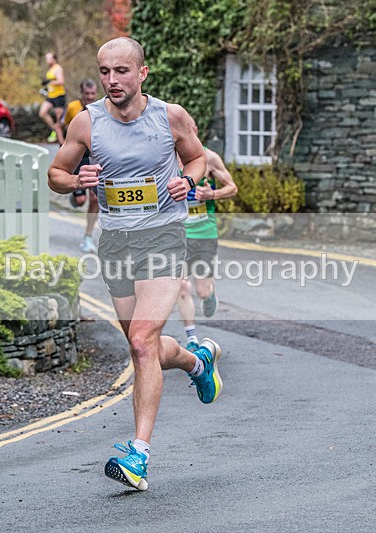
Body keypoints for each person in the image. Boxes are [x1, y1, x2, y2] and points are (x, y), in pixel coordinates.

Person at [48, 37, 223, 491]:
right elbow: (55, 174)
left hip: (163, 236)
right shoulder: (87, 123)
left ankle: (138, 455)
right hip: (117, 243)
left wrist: (187, 180)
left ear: (142, 73)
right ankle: (197, 363)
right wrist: (75, 180)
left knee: (144, 341)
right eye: (104, 71)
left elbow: (198, 156)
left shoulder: (170, 116)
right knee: (140, 346)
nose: (111, 80)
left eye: (121, 71)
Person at [176, 121, 238, 351]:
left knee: (201, 291)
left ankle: (209, 295)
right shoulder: (167, 158)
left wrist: (212, 193)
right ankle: (191, 339)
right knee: (181, 286)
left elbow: (232, 187)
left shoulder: (209, 158)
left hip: (203, 232)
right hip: (177, 233)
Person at [64, 79, 101, 253]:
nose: (90, 97)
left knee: (95, 198)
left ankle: (88, 237)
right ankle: (75, 197)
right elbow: (62, 126)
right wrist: (62, 147)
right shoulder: (72, 108)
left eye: (93, 94)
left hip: (94, 158)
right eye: (87, 95)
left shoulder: (101, 109)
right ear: (81, 94)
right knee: (80, 201)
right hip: (77, 157)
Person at [39, 52, 66, 144]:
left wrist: (50, 82)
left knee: (60, 121)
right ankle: (54, 130)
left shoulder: (57, 68)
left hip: (59, 96)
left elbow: (61, 81)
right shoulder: (50, 69)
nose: (47, 60)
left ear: (54, 59)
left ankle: (62, 142)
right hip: (51, 96)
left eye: (49, 58)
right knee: (42, 112)